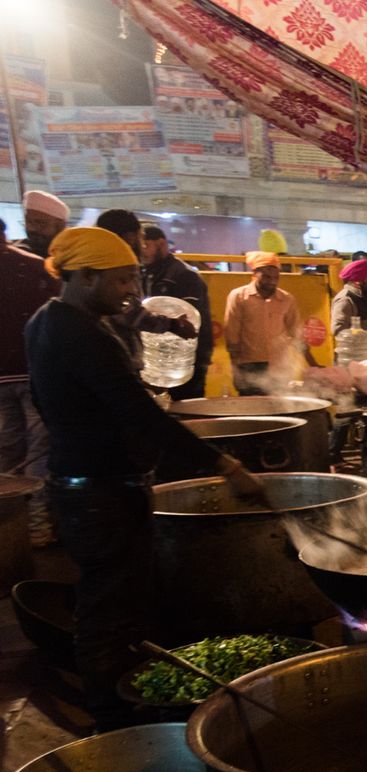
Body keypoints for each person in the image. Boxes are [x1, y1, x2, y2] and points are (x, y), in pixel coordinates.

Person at [24, 227, 262, 729]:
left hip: (78, 478)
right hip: (100, 492)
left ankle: (119, 698)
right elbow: (141, 415)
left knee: (116, 598)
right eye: (122, 280)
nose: (131, 290)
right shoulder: (86, 336)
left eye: (135, 278)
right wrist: (225, 465)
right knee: (108, 606)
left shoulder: (46, 322)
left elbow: (51, 406)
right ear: (85, 276)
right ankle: (112, 719)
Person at [0, 219, 58, 545]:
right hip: (33, 373)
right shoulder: (36, 268)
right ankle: (37, 525)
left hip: (3, 378)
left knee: (8, 451)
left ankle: (11, 528)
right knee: (38, 451)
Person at [96, 210, 197, 375]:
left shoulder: (95, 263)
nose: (142, 246)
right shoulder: (115, 267)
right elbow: (128, 311)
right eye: (141, 238)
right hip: (116, 358)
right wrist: (171, 324)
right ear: (130, 237)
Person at [140, 225, 212, 400]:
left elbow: (187, 321)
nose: (141, 251)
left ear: (161, 244)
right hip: (156, 364)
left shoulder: (184, 275)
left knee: (186, 410)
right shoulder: (144, 274)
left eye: (145, 246)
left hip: (183, 364)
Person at [223, 251, 300, 394]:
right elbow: (232, 334)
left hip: (279, 365)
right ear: (254, 274)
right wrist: (236, 368)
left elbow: (296, 333)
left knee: (279, 408)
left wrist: (314, 365)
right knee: (252, 408)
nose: (272, 280)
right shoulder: (238, 297)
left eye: (276, 277)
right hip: (248, 364)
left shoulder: (287, 299)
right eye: (266, 276)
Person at [330, 257, 367, 348]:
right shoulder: (345, 300)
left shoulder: (363, 297)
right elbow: (338, 331)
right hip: (357, 358)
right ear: (358, 280)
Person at [15, 189, 69, 260]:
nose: (31, 228)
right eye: (28, 222)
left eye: (40, 223)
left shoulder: (74, 252)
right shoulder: (18, 253)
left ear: (59, 226)